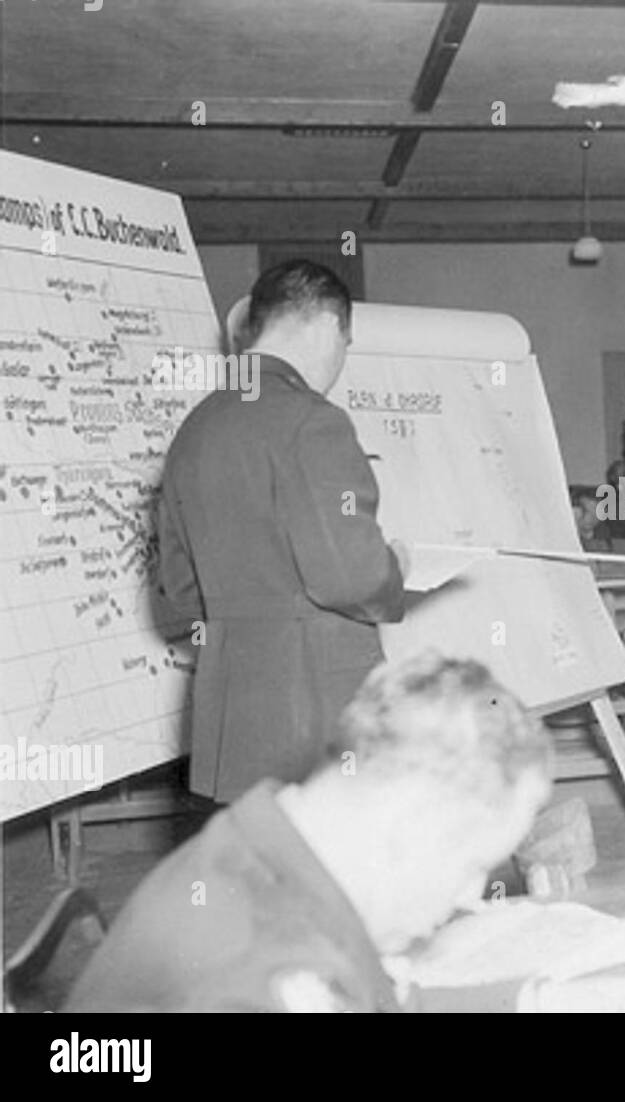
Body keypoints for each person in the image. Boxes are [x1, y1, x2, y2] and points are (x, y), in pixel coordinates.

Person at [64, 654, 554, 1012]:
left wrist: (530, 1002)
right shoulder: (267, 977)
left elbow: (378, 992)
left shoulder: (264, 842)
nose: (472, 895)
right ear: (410, 823)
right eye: (472, 865)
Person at [158, 260, 407, 803]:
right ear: (324, 326)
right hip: (319, 709)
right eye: (346, 342)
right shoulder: (313, 422)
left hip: (230, 716)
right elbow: (350, 578)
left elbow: (178, 589)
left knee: (264, 877)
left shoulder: (195, 430)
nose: (340, 361)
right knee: (344, 876)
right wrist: (395, 571)